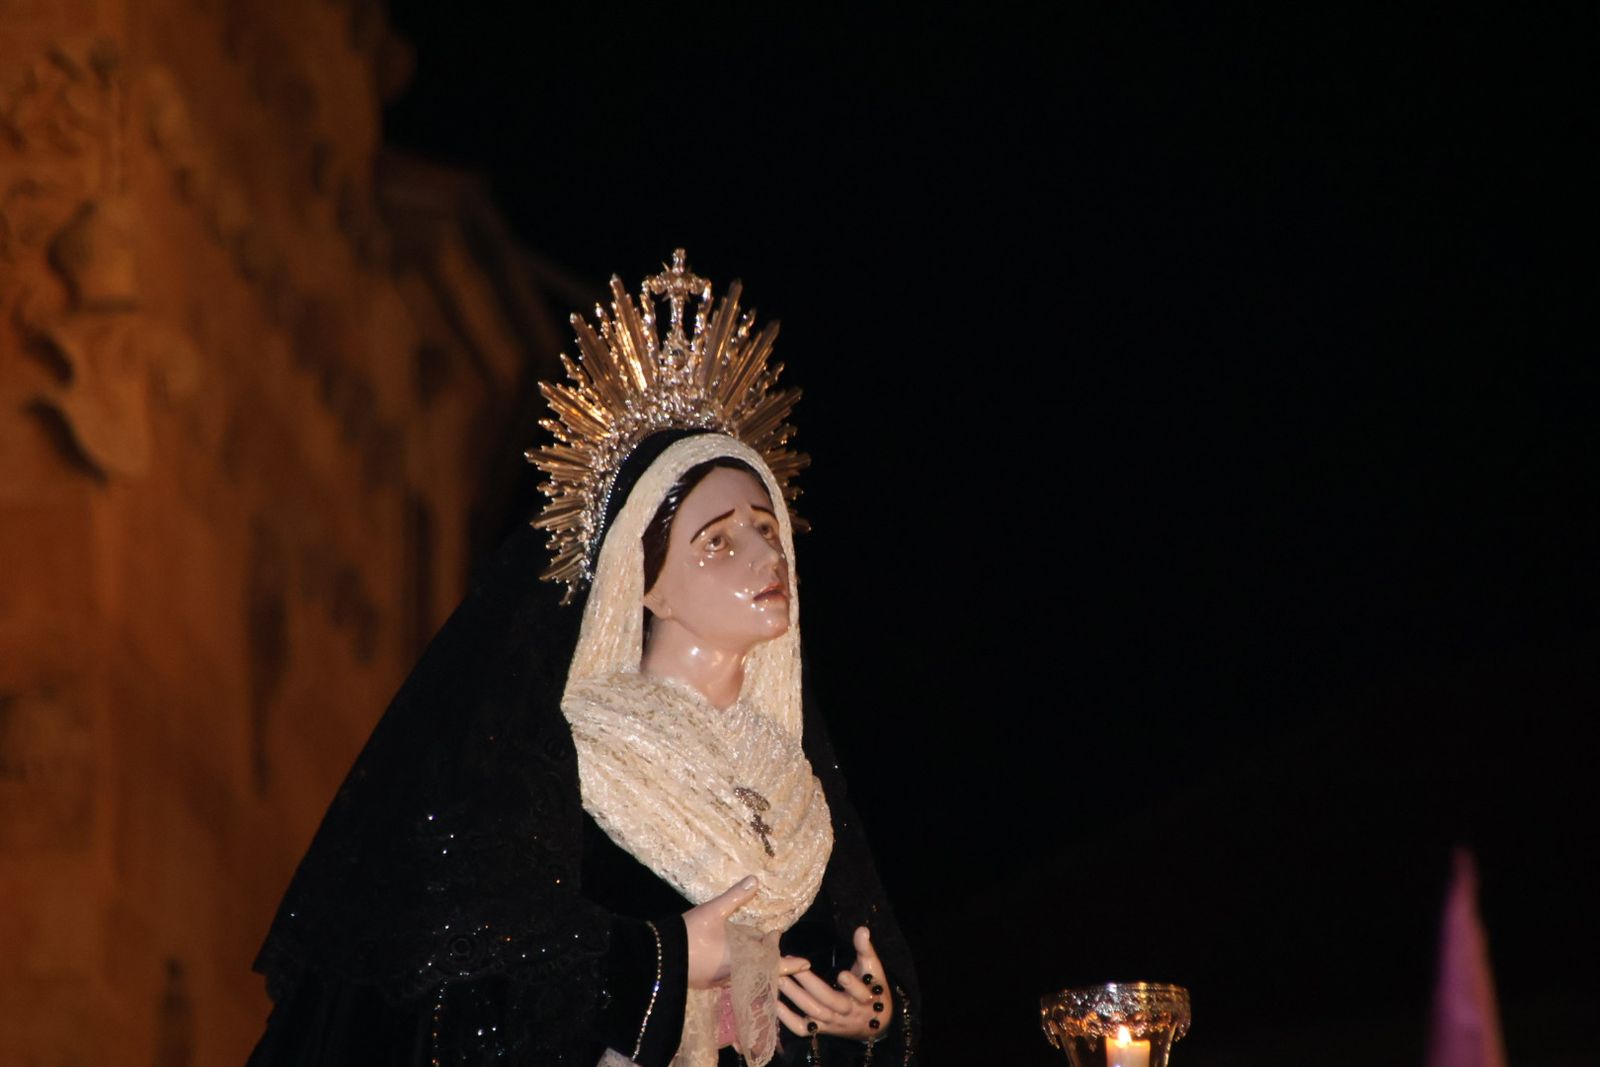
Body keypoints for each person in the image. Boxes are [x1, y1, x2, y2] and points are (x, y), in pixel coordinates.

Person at [248, 253, 918, 1066]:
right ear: (650, 587)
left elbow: (788, 1011)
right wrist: (662, 960)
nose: (761, 556)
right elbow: (468, 967)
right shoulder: (560, 758)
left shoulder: (796, 790)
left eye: (766, 526)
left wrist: (868, 1020)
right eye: (718, 542)